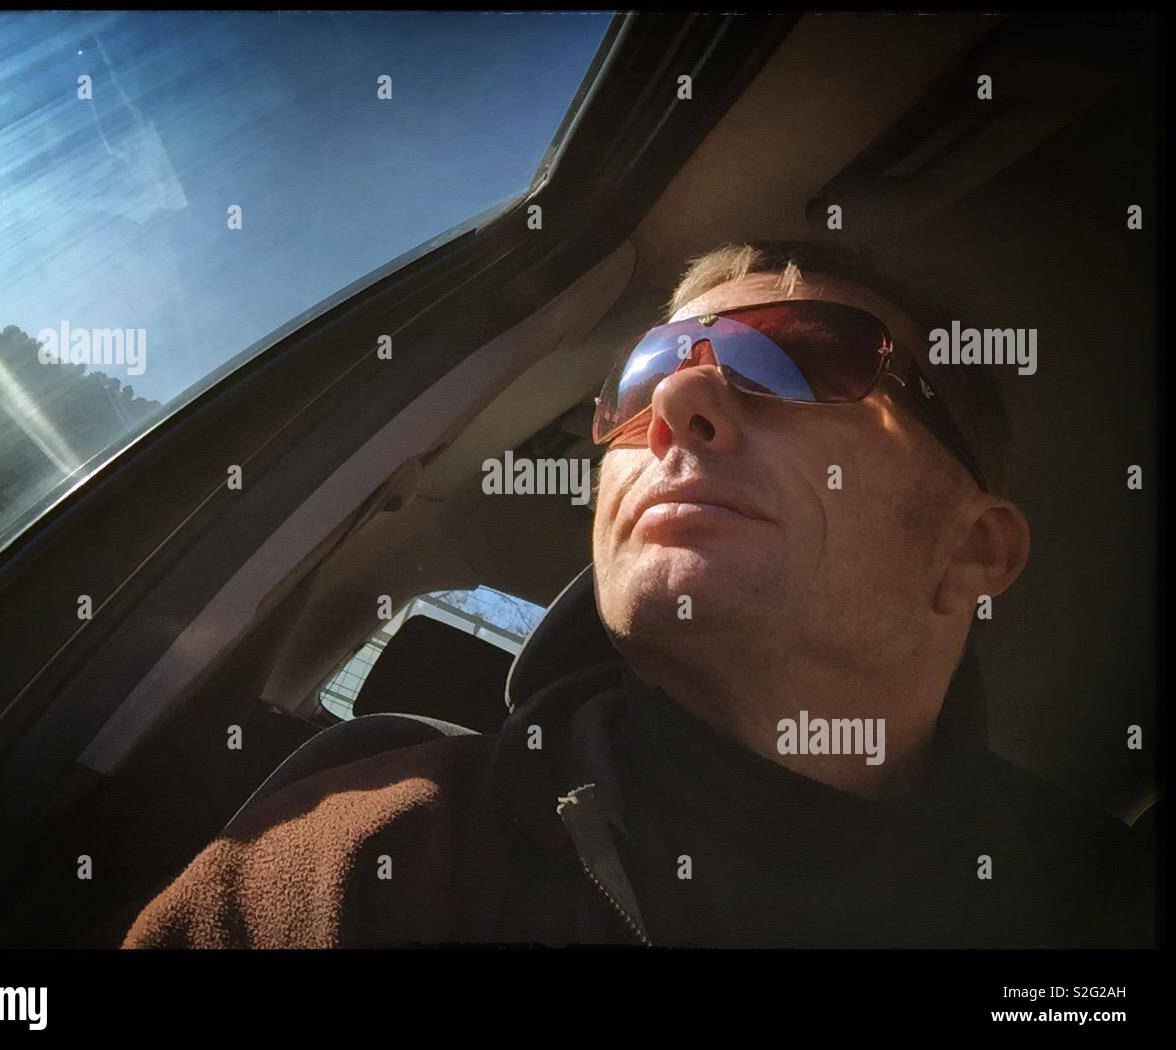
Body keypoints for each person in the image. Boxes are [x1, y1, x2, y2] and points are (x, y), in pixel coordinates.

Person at [123, 242, 1151, 948]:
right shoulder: (355, 861)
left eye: (795, 358)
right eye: (644, 372)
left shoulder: (1110, 911)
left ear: (972, 551)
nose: (676, 399)